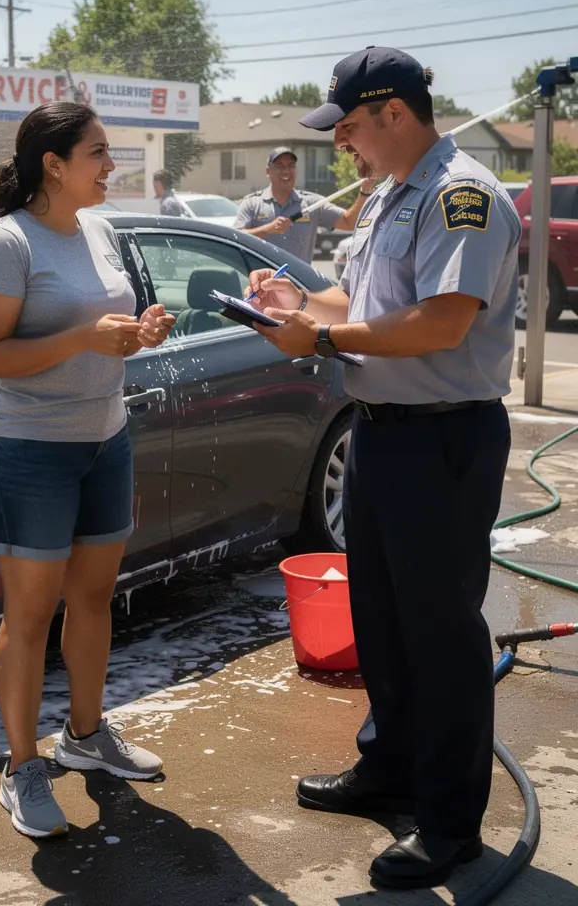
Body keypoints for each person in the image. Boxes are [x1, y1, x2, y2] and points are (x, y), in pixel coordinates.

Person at [246, 47, 519, 890]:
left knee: (440, 635)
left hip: (441, 439)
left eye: (353, 127)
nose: (346, 146)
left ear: (396, 112)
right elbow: (365, 308)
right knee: (386, 624)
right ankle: (388, 768)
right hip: (380, 435)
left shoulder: (458, 194)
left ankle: (448, 823)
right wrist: (299, 308)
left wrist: (321, 339)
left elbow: (439, 323)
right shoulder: (390, 196)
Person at [0, 102, 175, 838]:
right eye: (98, 153)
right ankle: (23, 766)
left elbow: (100, 332)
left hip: (103, 438)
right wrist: (87, 335)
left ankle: (86, 736)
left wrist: (135, 336)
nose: (110, 166)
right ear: (53, 164)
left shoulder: (100, 228)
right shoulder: (5, 244)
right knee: (28, 616)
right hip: (26, 449)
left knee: (93, 599)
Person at [235, 146, 371, 263]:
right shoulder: (252, 204)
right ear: (268, 171)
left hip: (299, 286)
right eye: (279, 166)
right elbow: (236, 237)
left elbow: (349, 222)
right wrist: (267, 230)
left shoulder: (312, 203)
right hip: (262, 286)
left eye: (291, 166)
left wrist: (364, 192)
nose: (286, 171)